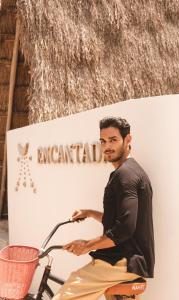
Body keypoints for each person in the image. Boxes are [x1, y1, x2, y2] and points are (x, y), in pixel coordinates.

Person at [52, 116, 155, 300]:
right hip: (129, 259)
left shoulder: (126, 176)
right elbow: (120, 219)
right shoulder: (128, 172)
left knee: (65, 295)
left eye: (113, 140)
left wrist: (86, 245)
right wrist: (90, 213)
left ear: (128, 139)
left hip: (122, 262)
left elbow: (124, 229)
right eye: (103, 141)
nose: (107, 146)